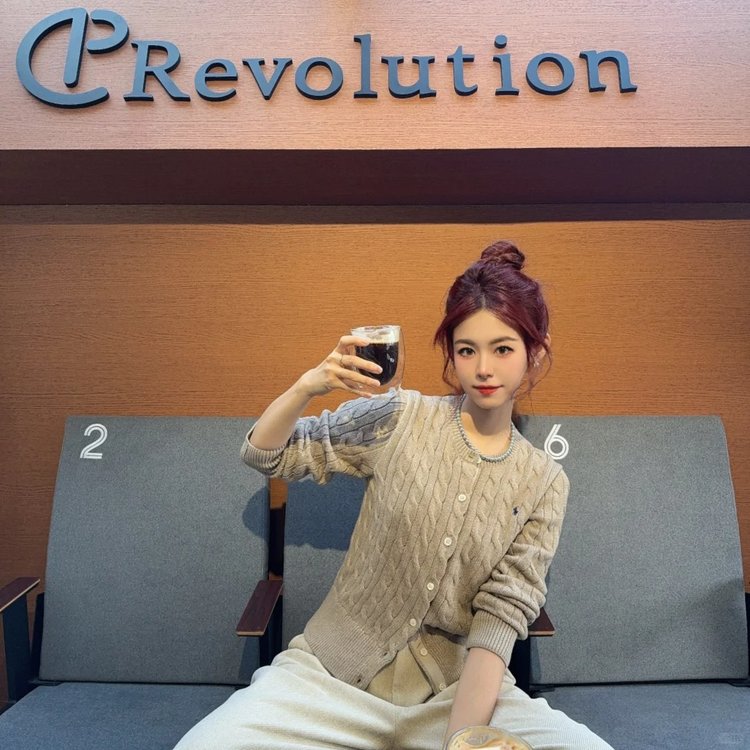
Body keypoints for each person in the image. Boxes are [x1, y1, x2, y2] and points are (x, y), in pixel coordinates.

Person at [174, 240, 613, 750]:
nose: (483, 369)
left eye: (503, 349)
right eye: (466, 350)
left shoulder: (544, 482)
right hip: (330, 681)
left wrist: (462, 739)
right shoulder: (401, 416)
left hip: (454, 695)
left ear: (535, 351)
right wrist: (308, 386)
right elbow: (267, 456)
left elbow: (500, 620)